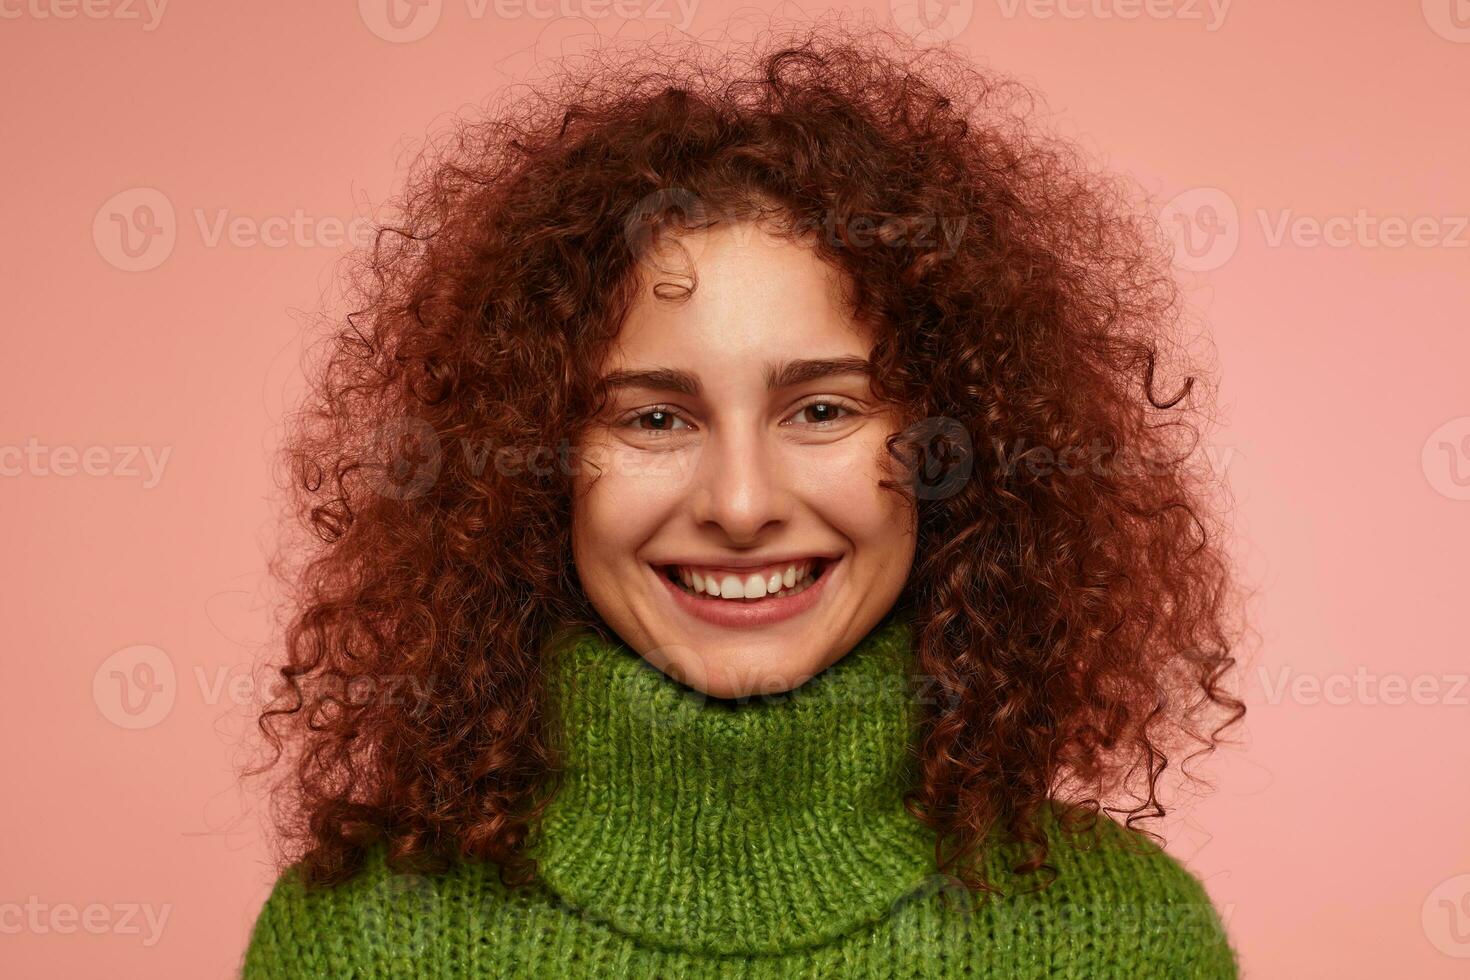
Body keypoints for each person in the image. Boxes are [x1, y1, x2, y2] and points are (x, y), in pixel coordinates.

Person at [242, 19, 1245, 977]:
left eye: (819, 409)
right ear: (528, 463)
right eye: (654, 420)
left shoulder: (1127, 939)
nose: (739, 501)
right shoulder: (358, 939)